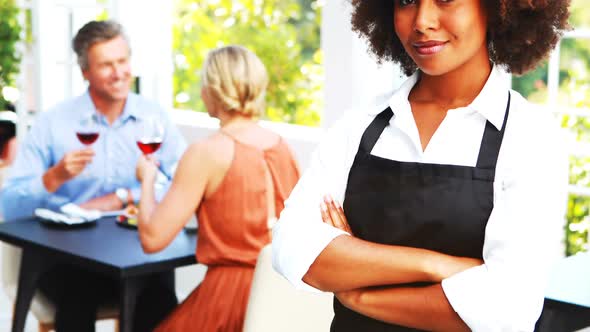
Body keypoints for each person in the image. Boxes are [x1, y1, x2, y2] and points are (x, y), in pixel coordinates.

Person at [272, 1, 570, 331]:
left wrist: (359, 295)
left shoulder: (530, 138)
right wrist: (434, 265)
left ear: (496, 8)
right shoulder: (358, 125)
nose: (422, 21)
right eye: (405, 1)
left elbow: (507, 308)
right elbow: (292, 248)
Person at [1, 20, 185, 332]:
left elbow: (184, 184)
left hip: (136, 253)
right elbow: (9, 204)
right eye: (106, 65)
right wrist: (53, 177)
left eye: (123, 61)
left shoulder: (153, 119)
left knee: (160, 300)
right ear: (85, 72)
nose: (119, 73)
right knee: (78, 299)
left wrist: (125, 196)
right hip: (68, 260)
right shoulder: (54, 123)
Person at [135, 45, 300, 332]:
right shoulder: (282, 147)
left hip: (230, 299)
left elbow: (152, 238)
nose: (201, 93)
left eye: (204, 85)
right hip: (281, 301)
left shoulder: (206, 153)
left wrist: (147, 179)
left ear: (215, 90)